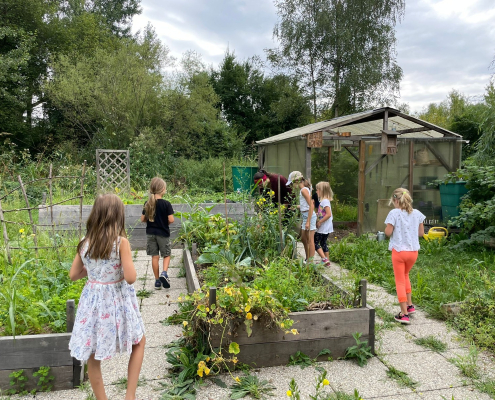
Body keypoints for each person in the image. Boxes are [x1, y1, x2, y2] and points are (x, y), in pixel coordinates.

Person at [69, 194, 145, 400]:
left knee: (93, 354)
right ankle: (130, 396)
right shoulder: (121, 243)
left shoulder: (84, 243)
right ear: (118, 217)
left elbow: (73, 274)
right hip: (117, 300)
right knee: (139, 341)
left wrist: (94, 271)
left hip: (93, 302)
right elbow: (130, 278)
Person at [384, 188, 425, 325]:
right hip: (413, 253)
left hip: (399, 252)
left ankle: (404, 314)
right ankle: (410, 305)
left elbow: (388, 233)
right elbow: (420, 234)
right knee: (406, 275)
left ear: (396, 200)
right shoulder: (417, 214)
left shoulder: (394, 213)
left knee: (400, 281)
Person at [140, 177, 175, 290]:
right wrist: (164, 223)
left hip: (150, 234)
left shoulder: (148, 203)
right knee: (166, 254)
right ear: (163, 189)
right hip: (163, 234)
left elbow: (142, 219)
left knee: (154, 256)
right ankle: (164, 273)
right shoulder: (166, 204)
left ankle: (157, 281)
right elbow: (171, 219)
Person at [286, 171, 316, 262]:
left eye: (292, 183)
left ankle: (310, 262)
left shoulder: (303, 190)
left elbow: (311, 205)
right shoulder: (303, 190)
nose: (291, 185)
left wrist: (308, 221)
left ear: (296, 181)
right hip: (305, 216)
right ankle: (307, 259)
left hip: (309, 217)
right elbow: (305, 205)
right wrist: (295, 207)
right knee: (303, 238)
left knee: (310, 240)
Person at [315, 182, 333, 267]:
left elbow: (328, 214)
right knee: (323, 243)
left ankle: (324, 259)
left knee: (314, 242)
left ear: (322, 191)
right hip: (327, 227)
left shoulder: (324, 201)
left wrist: (319, 222)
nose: (316, 191)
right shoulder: (324, 201)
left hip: (324, 227)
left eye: (317, 189)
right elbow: (323, 213)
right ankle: (327, 262)